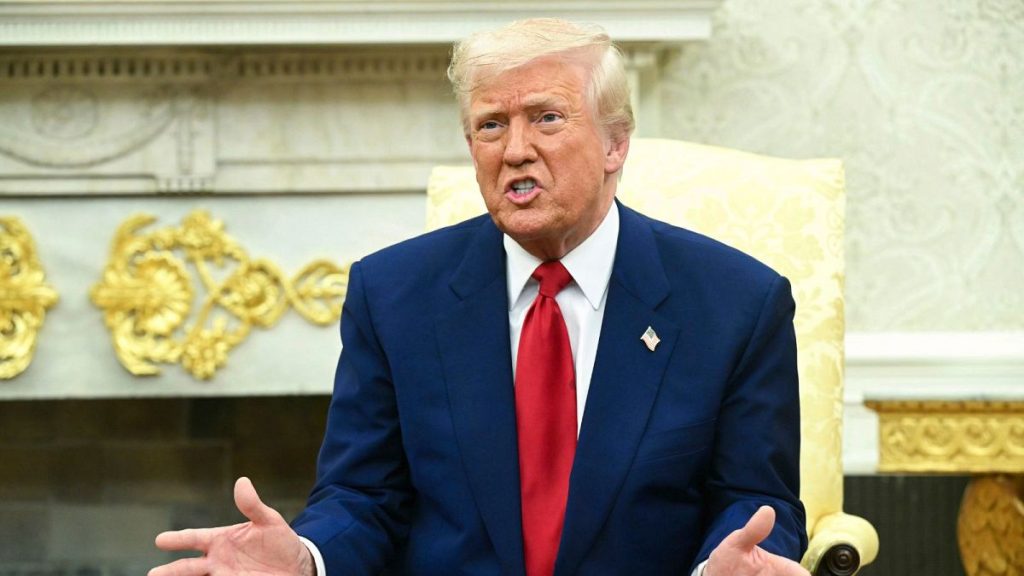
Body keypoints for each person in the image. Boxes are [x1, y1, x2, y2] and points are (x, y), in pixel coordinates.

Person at [150, 18, 809, 576]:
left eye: (546, 118)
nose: (515, 150)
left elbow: (755, 500)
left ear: (615, 144)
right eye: (491, 126)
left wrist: (722, 568)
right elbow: (363, 495)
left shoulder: (737, 304)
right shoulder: (393, 295)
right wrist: (305, 559)